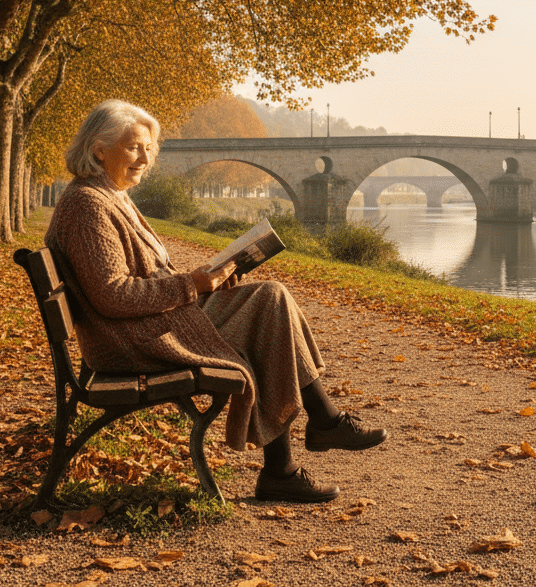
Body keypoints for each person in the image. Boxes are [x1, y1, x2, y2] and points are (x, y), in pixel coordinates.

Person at [45, 99, 386, 503]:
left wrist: (211, 279)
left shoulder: (109, 195)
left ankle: (297, 452)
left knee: (266, 303)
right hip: (130, 339)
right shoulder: (89, 205)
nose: (146, 157)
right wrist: (193, 284)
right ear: (99, 148)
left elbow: (136, 280)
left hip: (146, 324)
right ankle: (311, 436)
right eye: (135, 146)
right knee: (269, 303)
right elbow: (114, 294)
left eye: (149, 148)